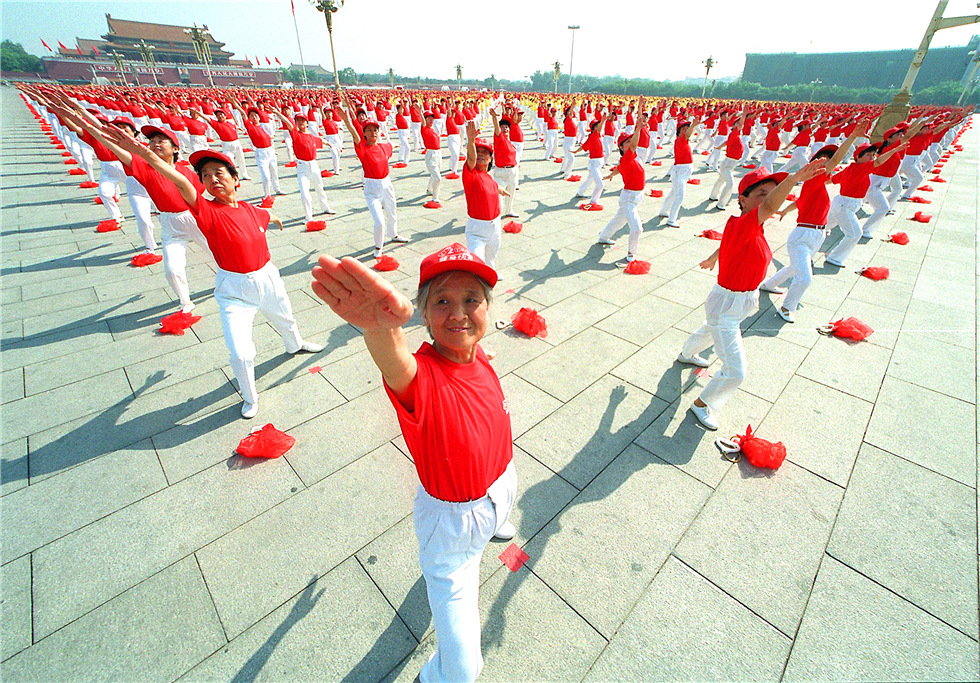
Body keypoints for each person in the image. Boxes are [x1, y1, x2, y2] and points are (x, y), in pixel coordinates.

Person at [310, 242, 517, 683]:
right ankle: (434, 675)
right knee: (464, 670)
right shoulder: (419, 377)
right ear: (423, 315)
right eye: (442, 301)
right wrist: (380, 329)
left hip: (501, 485)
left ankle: (497, 523)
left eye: (470, 300)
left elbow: (473, 352)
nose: (458, 313)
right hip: (453, 524)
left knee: (498, 513)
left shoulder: (476, 352)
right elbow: (395, 361)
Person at [107, 132, 324, 418]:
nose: (212, 179)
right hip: (233, 291)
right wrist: (145, 155)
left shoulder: (249, 209)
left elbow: (262, 215)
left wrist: (275, 217)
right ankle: (249, 396)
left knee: (285, 318)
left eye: (218, 173)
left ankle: (295, 345)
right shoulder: (205, 210)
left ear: (236, 179)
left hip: (268, 279)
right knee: (241, 353)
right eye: (206, 175)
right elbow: (181, 180)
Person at [678, 160, 827, 430]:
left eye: (772, 193)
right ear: (743, 200)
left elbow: (728, 243)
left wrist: (713, 257)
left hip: (735, 301)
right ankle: (703, 404)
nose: (768, 200)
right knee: (736, 369)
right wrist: (793, 179)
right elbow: (769, 208)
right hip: (728, 303)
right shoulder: (742, 223)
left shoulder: (748, 228)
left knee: (709, 329)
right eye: (762, 193)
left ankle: (687, 353)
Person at [759, 119, 870, 322]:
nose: (827, 164)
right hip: (803, 235)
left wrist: (785, 210)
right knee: (804, 277)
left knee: (794, 267)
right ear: (814, 163)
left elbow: (800, 201)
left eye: (827, 161)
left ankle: (768, 285)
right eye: (823, 159)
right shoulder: (814, 178)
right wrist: (853, 136)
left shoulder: (815, 185)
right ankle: (785, 308)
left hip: (817, 235)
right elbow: (837, 160)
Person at [335, 93, 408, 259]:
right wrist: (346, 120)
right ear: (365, 134)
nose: (373, 132)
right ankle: (378, 247)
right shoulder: (362, 148)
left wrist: (398, 144)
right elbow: (354, 133)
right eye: (369, 130)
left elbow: (392, 145)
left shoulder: (383, 147)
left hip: (387, 183)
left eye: (375, 129)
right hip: (372, 188)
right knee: (379, 221)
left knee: (392, 211)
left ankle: (394, 234)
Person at [823, 139, 909, 268]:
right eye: (868, 155)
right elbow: (879, 161)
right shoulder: (860, 168)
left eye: (873, 155)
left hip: (842, 204)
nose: (872, 158)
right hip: (845, 206)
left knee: (822, 228)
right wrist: (895, 150)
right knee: (855, 234)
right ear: (858, 157)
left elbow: (831, 180)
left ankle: (806, 245)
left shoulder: (852, 168)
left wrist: (817, 183)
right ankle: (835, 258)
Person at [596, 116, 648, 262]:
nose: (631, 144)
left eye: (631, 140)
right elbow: (627, 157)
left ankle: (603, 237)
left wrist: (612, 174)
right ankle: (631, 255)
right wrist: (638, 129)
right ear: (621, 147)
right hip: (629, 199)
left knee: (618, 220)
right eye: (627, 142)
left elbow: (620, 168)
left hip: (636, 196)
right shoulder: (627, 157)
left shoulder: (633, 158)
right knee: (637, 228)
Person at [274, 110, 336, 226]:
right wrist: (278, 113)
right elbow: (287, 122)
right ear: (296, 123)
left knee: (320, 188)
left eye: (303, 120)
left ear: (307, 123)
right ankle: (308, 216)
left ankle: (325, 207)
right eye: (298, 120)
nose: (300, 122)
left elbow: (319, 140)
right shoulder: (295, 134)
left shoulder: (311, 136)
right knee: (304, 192)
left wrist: (328, 143)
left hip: (314, 165)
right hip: (302, 167)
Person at [462, 121, 510, 270]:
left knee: (491, 257)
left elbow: (494, 187)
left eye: (485, 152)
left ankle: (491, 274)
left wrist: (501, 189)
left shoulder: (488, 176)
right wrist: (470, 140)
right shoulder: (471, 173)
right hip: (477, 229)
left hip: (495, 226)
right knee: (476, 262)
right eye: (478, 151)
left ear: (490, 159)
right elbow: (470, 159)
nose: (481, 154)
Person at [658, 116, 699, 228]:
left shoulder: (682, 140)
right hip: (680, 172)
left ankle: (663, 211)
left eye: (687, 127)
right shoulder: (681, 139)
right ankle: (671, 219)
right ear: (679, 131)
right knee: (679, 196)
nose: (686, 129)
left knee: (673, 193)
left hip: (682, 172)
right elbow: (688, 135)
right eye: (683, 128)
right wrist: (694, 125)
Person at [571, 112, 608, 208]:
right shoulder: (594, 135)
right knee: (600, 184)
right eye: (596, 125)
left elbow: (584, 147)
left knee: (589, 179)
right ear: (593, 128)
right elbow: (584, 146)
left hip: (598, 162)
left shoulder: (593, 137)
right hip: (594, 163)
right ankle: (593, 202)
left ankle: (580, 192)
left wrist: (575, 151)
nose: (598, 127)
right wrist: (603, 121)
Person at [490, 109, 520, 219]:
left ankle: (509, 211)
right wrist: (494, 117)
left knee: (511, 193)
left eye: (507, 127)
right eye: (502, 127)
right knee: (498, 195)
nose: (505, 129)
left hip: (512, 171)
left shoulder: (508, 140)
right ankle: (496, 213)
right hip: (501, 172)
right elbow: (497, 129)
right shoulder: (499, 138)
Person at [422, 111, 444, 208]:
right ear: (425, 119)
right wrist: (419, 111)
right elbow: (422, 122)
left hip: (438, 154)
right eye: (428, 118)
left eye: (432, 118)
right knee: (437, 177)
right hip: (431, 154)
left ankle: (429, 190)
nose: (431, 120)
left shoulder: (433, 129)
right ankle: (435, 197)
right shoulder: (424, 129)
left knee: (434, 174)